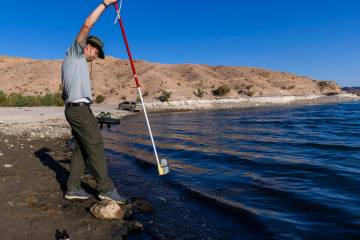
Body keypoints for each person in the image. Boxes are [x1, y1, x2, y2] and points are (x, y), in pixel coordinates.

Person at [61, 0, 126, 203]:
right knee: (96, 145)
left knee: (82, 148)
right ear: (88, 46)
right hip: (78, 110)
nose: (96, 56)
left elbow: (66, 93)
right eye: (96, 51)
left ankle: (72, 188)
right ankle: (106, 189)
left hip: (79, 109)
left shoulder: (75, 64)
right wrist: (105, 4)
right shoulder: (74, 52)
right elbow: (87, 26)